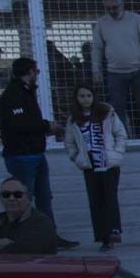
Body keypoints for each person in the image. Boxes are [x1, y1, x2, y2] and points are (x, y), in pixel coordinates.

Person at [0, 56, 68, 238]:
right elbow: (19, 124)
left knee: (45, 198)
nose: (37, 75)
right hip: (21, 155)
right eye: (35, 71)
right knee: (22, 199)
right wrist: (46, 126)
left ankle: (49, 236)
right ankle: (24, 237)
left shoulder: (26, 92)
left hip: (35, 153)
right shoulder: (13, 95)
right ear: (29, 72)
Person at [58, 84, 126, 252]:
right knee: (96, 200)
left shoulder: (107, 112)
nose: (86, 99)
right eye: (82, 96)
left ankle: (112, 232)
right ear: (76, 98)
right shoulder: (73, 118)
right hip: (89, 165)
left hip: (109, 163)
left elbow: (120, 133)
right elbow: (69, 142)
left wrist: (117, 153)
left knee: (109, 197)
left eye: (88, 95)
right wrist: (76, 157)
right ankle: (103, 236)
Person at [91, 0, 140, 151]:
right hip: (114, 72)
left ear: (122, 4)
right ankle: (123, 140)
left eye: (115, 7)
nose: (112, 11)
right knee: (117, 108)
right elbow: (97, 48)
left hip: (138, 71)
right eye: (108, 8)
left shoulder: (136, 20)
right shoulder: (102, 23)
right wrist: (96, 69)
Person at [0, 176, 61, 253]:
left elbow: (20, 252)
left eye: (18, 195)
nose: (11, 198)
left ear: (28, 197)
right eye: (6, 195)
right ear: (0, 198)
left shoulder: (41, 223)